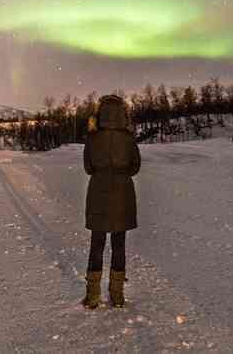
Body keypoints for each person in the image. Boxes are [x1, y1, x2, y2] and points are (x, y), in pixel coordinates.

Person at [81, 94, 141, 309]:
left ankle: (93, 295)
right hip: (123, 194)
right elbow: (135, 167)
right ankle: (117, 295)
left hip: (98, 193)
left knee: (97, 244)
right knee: (119, 244)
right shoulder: (128, 137)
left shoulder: (93, 137)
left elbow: (88, 168)